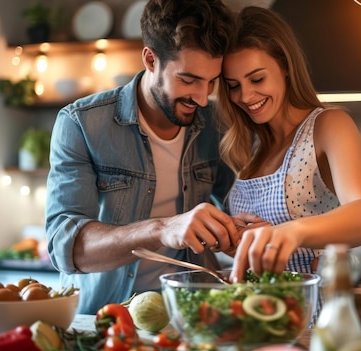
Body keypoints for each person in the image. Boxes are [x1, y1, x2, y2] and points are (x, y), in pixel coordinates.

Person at [45, 0, 249, 314]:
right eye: (189, 79)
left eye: (212, 81)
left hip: (197, 318)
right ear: (150, 60)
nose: (201, 97)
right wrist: (163, 229)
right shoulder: (82, 124)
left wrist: (238, 231)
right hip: (108, 321)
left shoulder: (216, 123)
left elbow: (235, 205)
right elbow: (66, 248)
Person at [215, 7, 361, 282]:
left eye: (257, 79)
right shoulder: (253, 146)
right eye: (233, 85)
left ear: (284, 66)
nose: (245, 96)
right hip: (256, 310)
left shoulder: (329, 125)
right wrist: (240, 240)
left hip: (308, 315)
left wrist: (290, 231)